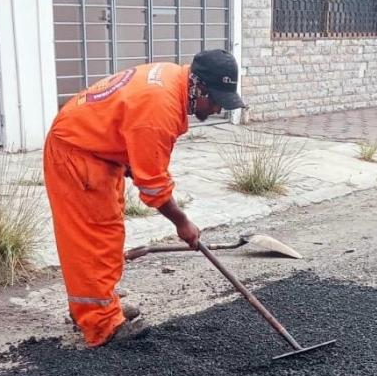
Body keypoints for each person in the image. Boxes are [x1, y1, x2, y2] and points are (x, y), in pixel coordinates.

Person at [43, 50, 246, 347]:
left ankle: (101, 305)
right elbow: (153, 186)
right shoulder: (159, 110)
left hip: (98, 150)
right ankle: (101, 325)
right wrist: (182, 222)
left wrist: (129, 160)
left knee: (109, 232)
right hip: (76, 152)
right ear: (197, 87)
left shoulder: (173, 78)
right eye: (215, 100)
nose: (216, 109)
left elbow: (131, 129)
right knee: (92, 239)